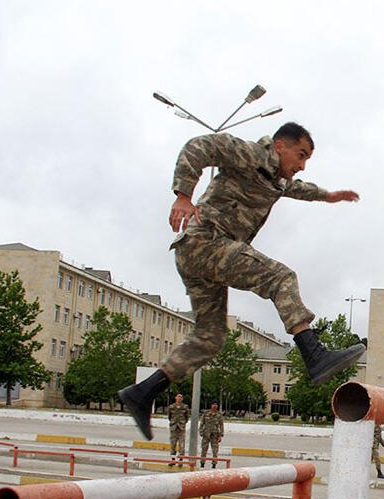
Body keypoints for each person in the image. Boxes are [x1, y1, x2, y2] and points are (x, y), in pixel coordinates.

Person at [119, 122, 366, 439]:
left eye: (307, 161)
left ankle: (142, 393)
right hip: (205, 242)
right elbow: (199, 146)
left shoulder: (276, 179)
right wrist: (183, 195)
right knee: (281, 277)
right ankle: (314, 354)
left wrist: (328, 196)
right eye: (300, 155)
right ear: (279, 146)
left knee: (210, 337)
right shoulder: (249, 153)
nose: (302, 165)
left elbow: (296, 188)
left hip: (199, 255)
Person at [167, 393, 190, 466]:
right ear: (175, 398)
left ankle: (180, 461)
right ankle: (173, 460)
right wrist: (173, 422)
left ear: (182, 399)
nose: (179, 398)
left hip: (181, 428)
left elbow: (187, 417)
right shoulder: (171, 407)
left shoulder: (185, 407)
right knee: (173, 445)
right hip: (173, 428)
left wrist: (183, 423)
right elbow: (169, 416)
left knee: (181, 445)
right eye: (178, 397)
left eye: (181, 397)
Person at [199, 402, 224, 468]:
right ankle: (202, 464)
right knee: (204, 450)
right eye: (213, 404)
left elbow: (221, 425)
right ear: (211, 405)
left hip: (215, 435)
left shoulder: (219, 415)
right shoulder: (206, 413)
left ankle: (214, 465)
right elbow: (202, 423)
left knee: (215, 451)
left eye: (216, 404)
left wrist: (221, 435)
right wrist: (201, 431)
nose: (214, 405)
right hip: (206, 435)